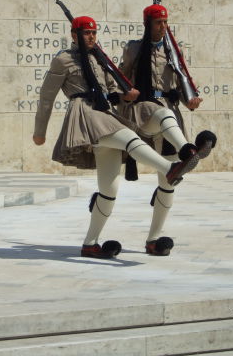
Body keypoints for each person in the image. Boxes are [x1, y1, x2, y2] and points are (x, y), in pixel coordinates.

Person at [33, 15, 200, 259]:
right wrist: (40, 131)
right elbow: (46, 97)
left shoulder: (100, 59)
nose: (91, 37)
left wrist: (126, 95)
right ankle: (169, 168)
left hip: (105, 114)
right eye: (86, 33)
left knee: (108, 189)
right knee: (129, 138)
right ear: (73, 35)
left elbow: (113, 89)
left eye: (93, 32)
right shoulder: (63, 60)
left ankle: (90, 244)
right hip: (85, 114)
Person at [119, 4, 217, 256]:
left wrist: (190, 100)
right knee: (163, 116)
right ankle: (188, 149)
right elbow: (121, 79)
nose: (163, 27)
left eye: (165, 23)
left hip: (170, 111)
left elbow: (181, 81)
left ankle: (153, 239)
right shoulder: (134, 49)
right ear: (147, 25)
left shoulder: (172, 51)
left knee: (168, 181)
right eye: (158, 23)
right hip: (143, 111)